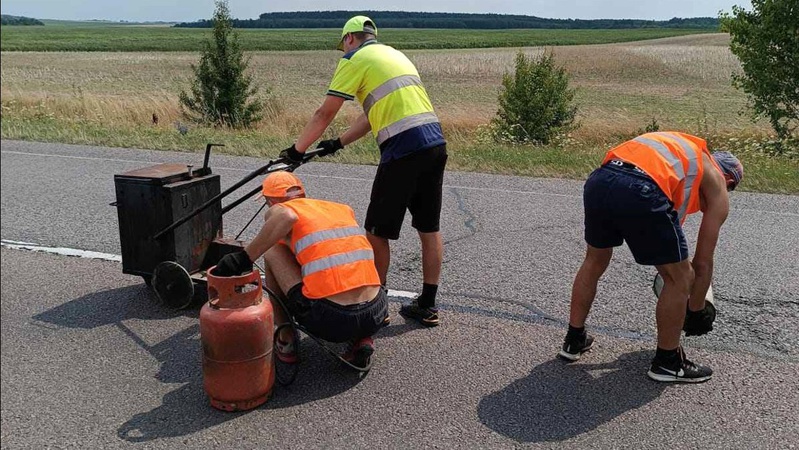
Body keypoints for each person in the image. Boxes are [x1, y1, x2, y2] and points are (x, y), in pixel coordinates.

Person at [278, 15, 448, 327]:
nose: (343, 50)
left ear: (350, 39)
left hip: (403, 149)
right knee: (428, 228)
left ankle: (376, 306)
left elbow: (325, 111)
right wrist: (337, 143)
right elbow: (372, 116)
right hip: (435, 144)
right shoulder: (394, 55)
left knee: (377, 230)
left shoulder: (354, 59)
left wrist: (297, 150)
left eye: (343, 45)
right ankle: (428, 303)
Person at [558, 131, 744, 383]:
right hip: (642, 187)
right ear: (728, 179)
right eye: (730, 188)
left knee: (595, 260)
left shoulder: (681, 162)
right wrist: (697, 310)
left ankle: (574, 340)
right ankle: (667, 363)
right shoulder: (715, 181)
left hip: (602, 178)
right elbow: (701, 263)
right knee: (680, 278)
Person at [214, 171, 389, 369]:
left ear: (270, 200)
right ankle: (362, 338)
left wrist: (242, 259)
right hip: (376, 311)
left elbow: (287, 216)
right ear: (302, 194)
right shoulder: (339, 209)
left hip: (333, 319)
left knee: (272, 250)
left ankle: (286, 337)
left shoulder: (282, 209)